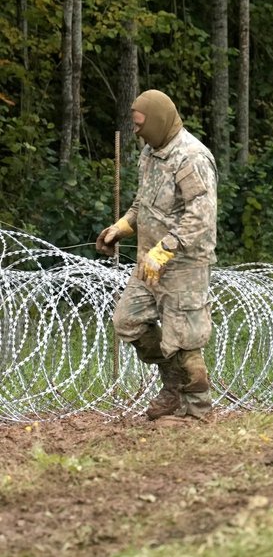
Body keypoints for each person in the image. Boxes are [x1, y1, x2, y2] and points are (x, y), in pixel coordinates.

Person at [95, 90, 218, 423]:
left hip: (183, 266)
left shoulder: (192, 157)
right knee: (127, 321)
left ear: (160, 120)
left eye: (139, 125)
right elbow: (143, 203)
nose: (135, 132)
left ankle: (198, 412)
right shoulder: (150, 152)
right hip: (149, 264)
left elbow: (201, 216)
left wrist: (165, 250)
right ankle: (173, 384)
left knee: (184, 339)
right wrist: (121, 227)